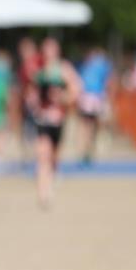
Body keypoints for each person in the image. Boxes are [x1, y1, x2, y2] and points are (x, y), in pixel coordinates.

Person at [27, 37, 81, 208]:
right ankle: (43, 193)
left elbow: (76, 90)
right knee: (43, 155)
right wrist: (33, 103)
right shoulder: (38, 69)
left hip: (58, 119)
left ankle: (52, 175)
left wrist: (63, 98)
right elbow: (31, 91)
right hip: (42, 119)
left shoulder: (64, 69)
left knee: (54, 156)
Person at [76, 46, 112, 165]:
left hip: (91, 97)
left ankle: (86, 151)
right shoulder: (98, 65)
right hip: (91, 97)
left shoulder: (92, 65)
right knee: (89, 125)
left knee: (88, 125)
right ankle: (86, 151)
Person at [16, 37, 41, 167]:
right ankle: (27, 158)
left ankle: (38, 158)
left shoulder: (36, 63)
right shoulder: (24, 65)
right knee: (26, 132)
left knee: (36, 132)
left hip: (35, 104)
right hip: (27, 104)